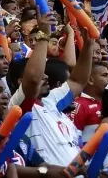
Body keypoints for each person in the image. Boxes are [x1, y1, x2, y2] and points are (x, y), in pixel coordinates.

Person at [12, 14, 94, 166]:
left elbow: (77, 81)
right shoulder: (19, 104)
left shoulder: (50, 101)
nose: (45, 77)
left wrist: (88, 44)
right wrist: (44, 35)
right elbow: (33, 79)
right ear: (20, 82)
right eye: (40, 72)